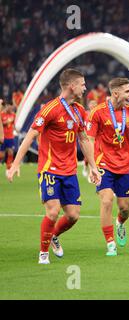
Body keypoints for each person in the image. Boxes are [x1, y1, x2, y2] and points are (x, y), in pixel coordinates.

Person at [6, 68, 101, 264]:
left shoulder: (79, 111)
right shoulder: (50, 109)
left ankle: (54, 236)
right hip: (49, 169)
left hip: (70, 171)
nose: (85, 88)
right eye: (82, 84)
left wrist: (92, 166)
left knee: (73, 215)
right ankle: (43, 254)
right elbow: (31, 135)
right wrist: (15, 164)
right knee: (53, 210)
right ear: (71, 86)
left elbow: (83, 139)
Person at [87, 77, 129, 256]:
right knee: (106, 200)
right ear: (115, 93)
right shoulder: (97, 112)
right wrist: (92, 166)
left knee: (124, 208)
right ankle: (110, 243)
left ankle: (120, 223)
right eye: (127, 92)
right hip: (103, 164)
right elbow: (89, 140)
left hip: (125, 165)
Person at [0, 102, 16, 170]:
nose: (10, 108)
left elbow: (13, 125)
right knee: (2, 154)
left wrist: (14, 131)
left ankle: (9, 166)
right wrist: (6, 122)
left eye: (11, 107)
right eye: (9, 107)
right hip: (3, 137)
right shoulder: (2, 114)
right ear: (6, 106)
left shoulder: (13, 115)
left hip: (10, 137)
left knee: (11, 152)